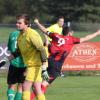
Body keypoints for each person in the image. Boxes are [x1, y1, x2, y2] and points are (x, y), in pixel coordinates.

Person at [30, 18, 100, 100]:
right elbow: (86, 38)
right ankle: (30, 98)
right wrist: (97, 33)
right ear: (70, 33)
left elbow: (44, 30)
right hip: (56, 66)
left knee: (43, 84)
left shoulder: (56, 35)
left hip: (48, 61)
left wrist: (37, 23)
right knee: (42, 85)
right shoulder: (71, 39)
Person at [0, 14, 49, 100]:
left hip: (35, 65)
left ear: (26, 24)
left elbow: (42, 50)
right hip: (33, 65)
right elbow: (18, 52)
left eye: (19, 23)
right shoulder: (20, 36)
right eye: (16, 22)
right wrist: (5, 60)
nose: (17, 24)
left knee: (25, 86)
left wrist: (44, 67)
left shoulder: (32, 34)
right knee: (37, 89)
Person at [7, 30, 26, 100]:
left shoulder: (12, 33)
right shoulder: (27, 34)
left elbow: (9, 48)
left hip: (13, 63)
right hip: (24, 64)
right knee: (20, 87)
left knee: (11, 86)